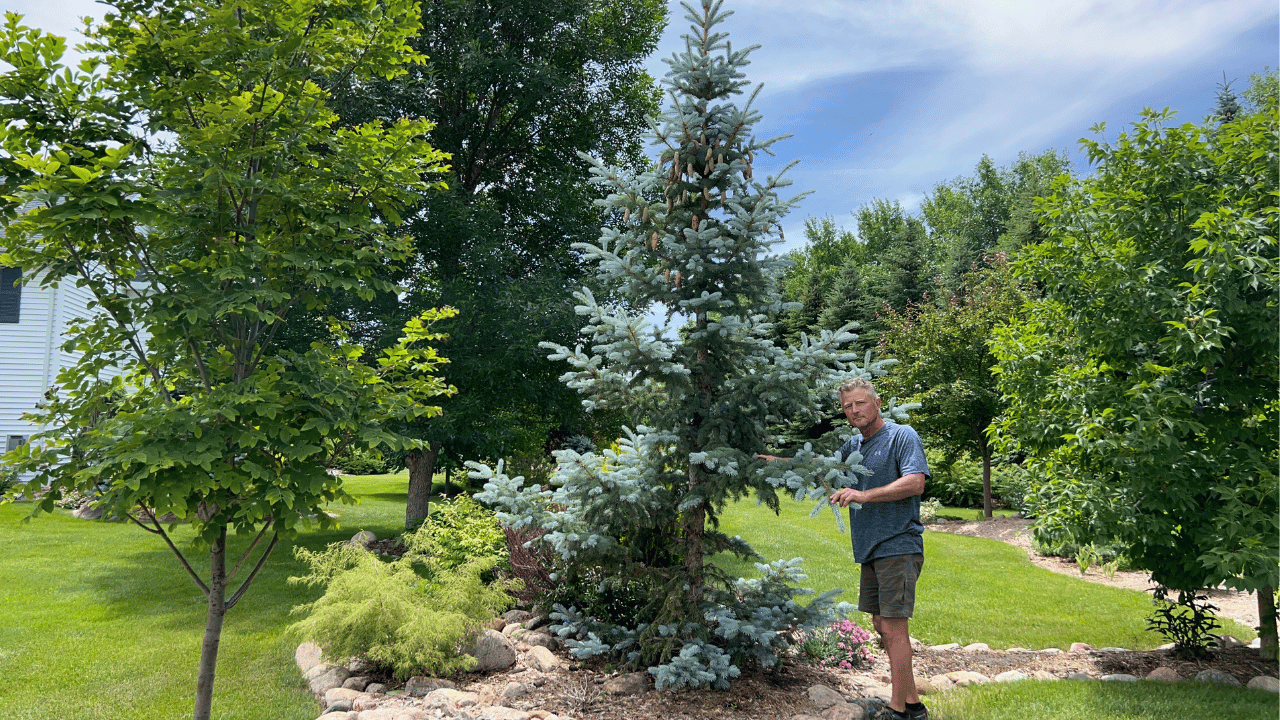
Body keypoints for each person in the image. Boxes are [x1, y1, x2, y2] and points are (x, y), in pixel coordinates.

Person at [828, 377, 930, 720]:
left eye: (860, 403)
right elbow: (823, 470)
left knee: (893, 626)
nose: (854, 410)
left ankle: (898, 710)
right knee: (880, 624)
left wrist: (864, 494)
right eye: (847, 406)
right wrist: (778, 462)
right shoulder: (853, 446)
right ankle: (914, 704)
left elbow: (916, 482)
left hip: (899, 543)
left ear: (876, 401)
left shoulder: (903, 436)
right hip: (870, 548)